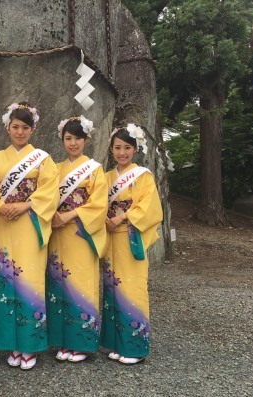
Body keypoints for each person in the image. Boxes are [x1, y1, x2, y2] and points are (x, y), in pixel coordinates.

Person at [0, 102, 59, 370]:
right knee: (5, 282)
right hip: (4, 222)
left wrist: (25, 204)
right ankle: (10, 343)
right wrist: (1, 206)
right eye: (15, 127)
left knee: (30, 282)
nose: (20, 132)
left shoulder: (43, 159)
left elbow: (51, 190)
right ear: (8, 128)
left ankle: (30, 345)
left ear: (33, 129)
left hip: (30, 222)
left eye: (25, 127)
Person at [46, 116, 108, 363]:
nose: (73, 143)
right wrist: (53, 216)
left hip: (81, 232)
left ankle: (81, 343)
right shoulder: (55, 169)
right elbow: (45, 197)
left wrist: (69, 214)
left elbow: (99, 203)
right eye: (68, 138)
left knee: (80, 283)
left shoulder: (94, 169)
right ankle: (62, 340)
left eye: (78, 138)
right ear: (62, 140)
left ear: (86, 140)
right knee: (59, 284)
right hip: (58, 233)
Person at [100, 124, 163, 365]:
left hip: (129, 235)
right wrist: (104, 218)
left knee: (132, 288)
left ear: (135, 149)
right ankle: (117, 343)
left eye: (127, 147)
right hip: (110, 236)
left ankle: (135, 347)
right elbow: (97, 203)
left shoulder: (143, 176)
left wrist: (122, 217)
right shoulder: (106, 177)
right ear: (111, 149)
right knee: (112, 288)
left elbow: (149, 207)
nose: (122, 152)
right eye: (117, 147)